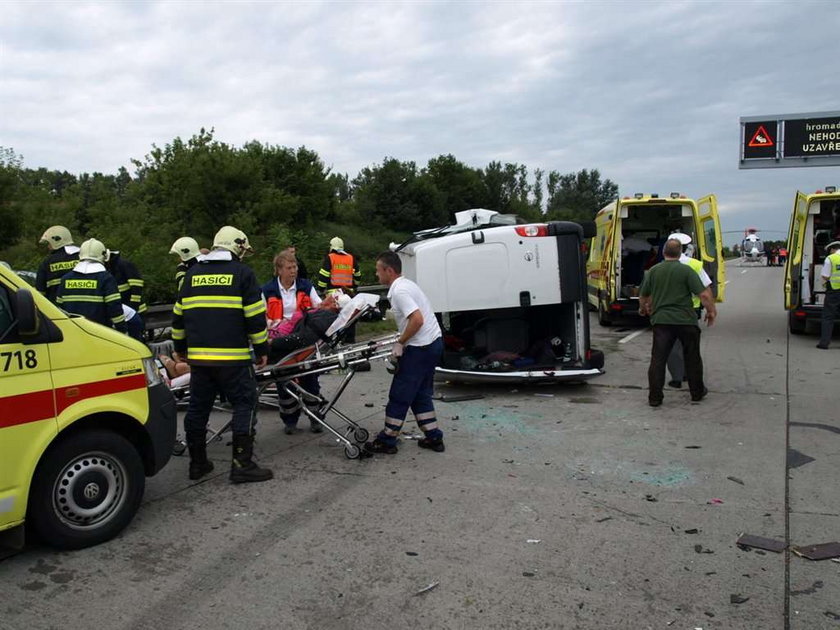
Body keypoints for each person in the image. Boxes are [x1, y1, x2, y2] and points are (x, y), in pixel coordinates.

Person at [171, 225, 272, 483]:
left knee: (197, 409)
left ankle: (198, 464)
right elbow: (254, 317)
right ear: (238, 247)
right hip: (234, 359)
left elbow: (178, 317)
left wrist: (180, 350)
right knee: (244, 404)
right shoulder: (242, 274)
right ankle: (242, 465)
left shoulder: (192, 275)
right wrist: (261, 349)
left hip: (200, 361)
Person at [365, 251, 445, 454]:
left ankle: (387, 440)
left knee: (400, 394)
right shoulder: (408, 284)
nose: (377, 275)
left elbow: (417, 320)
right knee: (420, 394)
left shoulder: (399, 291)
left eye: (378, 270)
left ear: (389, 270)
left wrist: (400, 342)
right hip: (433, 343)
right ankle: (434, 436)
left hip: (421, 348)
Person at [639, 238, 717, 407]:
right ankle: (696, 392)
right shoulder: (687, 271)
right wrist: (711, 311)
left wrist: (643, 308)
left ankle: (655, 398)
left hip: (661, 321)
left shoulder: (653, 271)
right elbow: (703, 294)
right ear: (680, 252)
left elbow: (644, 295)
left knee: (658, 359)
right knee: (692, 357)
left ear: (664, 252)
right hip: (686, 321)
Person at [262, 248, 324, 434]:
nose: (293, 270)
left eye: (295, 266)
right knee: (284, 381)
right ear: (279, 270)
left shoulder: (305, 286)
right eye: (289, 267)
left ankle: (315, 418)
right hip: (280, 341)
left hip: (303, 339)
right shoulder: (267, 290)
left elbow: (318, 307)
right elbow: (260, 316)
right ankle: (290, 420)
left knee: (310, 378)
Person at [664, 233, 712, 389]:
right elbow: (705, 289)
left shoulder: (662, 265)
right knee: (690, 347)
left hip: (668, 311)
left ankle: (677, 377)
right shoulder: (695, 264)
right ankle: (691, 378)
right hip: (691, 311)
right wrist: (711, 309)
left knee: (673, 346)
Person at [56, 238, 127, 333]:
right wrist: (123, 331)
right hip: (101, 334)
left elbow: (59, 309)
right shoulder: (106, 279)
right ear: (104, 256)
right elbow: (115, 309)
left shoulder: (65, 279)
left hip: (72, 333)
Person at [36, 225, 80, 304]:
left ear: (56, 240)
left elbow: (40, 292)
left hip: (56, 311)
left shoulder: (47, 262)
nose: (48, 247)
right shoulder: (81, 257)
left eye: (49, 243)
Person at [816, 240, 840, 350]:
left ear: (832, 249)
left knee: (828, 317)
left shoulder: (831, 259)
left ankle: (824, 343)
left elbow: (825, 276)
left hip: (834, 291)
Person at [108, 250, 147, 316]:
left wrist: (133, 308)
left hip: (136, 311)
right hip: (122, 312)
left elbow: (137, 286)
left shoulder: (124, 265)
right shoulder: (109, 268)